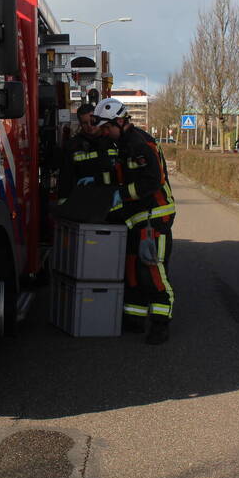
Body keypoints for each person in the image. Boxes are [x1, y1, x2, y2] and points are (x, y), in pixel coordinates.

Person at [92, 98, 176, 345]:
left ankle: (161, 323)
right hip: (134, 218)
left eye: (107, 128)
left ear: (120, 121)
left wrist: (123, 193)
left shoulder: (140, 144)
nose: (105, 133)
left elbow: (152, 181)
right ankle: (135, 318)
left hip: (154, 216)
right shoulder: (121, 144)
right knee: (131, 270)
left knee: (151, 270)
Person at [57, 104, 111, 206]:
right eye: (85, 123)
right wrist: (63, 204)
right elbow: (65, 178)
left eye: (92, 121)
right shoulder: (72, 146)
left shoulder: (112, 141)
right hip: (84, 201)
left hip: (111, 199)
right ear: (80, 124)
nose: (90, 126)